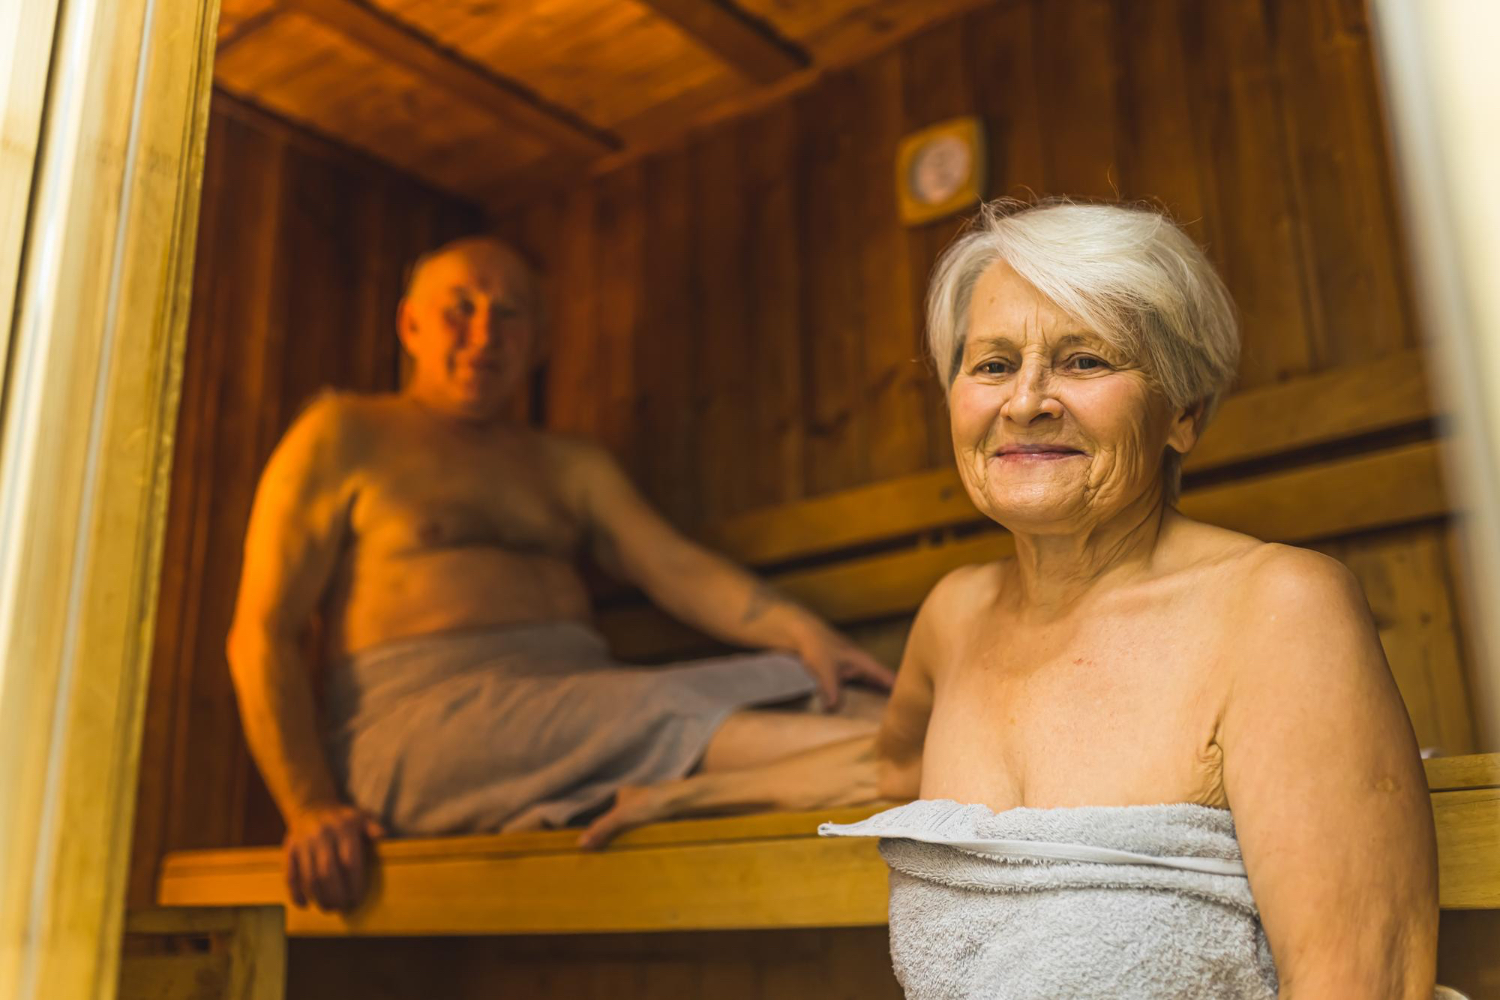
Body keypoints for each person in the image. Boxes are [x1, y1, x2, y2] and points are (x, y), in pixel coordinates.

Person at [822, 200, 1438, 998]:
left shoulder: (1278, 608)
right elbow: (889, 765)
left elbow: (1365, 980)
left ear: (1181, 413)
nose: (1025, 401)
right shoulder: (954, 615)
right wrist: (689, 790)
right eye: (993, 365)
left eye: (1083, 361)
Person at [226, 236, 893, 913]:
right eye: (460, 307)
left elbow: (671, 565)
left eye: (510, 313)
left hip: (586, 704)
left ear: (538, 341)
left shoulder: (566, 463)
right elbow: (261, 634)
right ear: (411, 324)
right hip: (420, 729)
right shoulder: (344, 433)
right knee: (695, 716)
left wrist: (807, 635)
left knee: (830, 694)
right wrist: (308, 804)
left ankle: (899, 760)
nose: (485, 332)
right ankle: (904, 766)